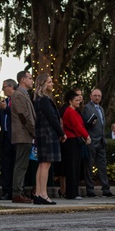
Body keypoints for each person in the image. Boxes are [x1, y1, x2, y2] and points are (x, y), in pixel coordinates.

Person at [33, 73, 65, 205]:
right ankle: (43, 194)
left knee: (42, 164)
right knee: (45, 164)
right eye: (49, 82)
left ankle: (38, 193)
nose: (52, 84)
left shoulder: (38, 99)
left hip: (42, 134)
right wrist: (61, 133)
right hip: (47, 134)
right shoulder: (44, 100)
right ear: (43, 84)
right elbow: (52, 118)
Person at [81, 88, 112, 197]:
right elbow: (84, 124)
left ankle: (106, 189)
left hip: (101, 141)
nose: (97, 97)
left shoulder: (101, 109)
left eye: (99, 96)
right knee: (89, 166)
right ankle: (90, 190)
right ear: (91, 96)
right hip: (91, 140)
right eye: (95, 95)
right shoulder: (86, 108)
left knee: (102, 165)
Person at [10, 71, 35, 203]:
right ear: (23, 80)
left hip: (26, 134)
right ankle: (17, 193)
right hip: (23, 134)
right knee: (21, 165)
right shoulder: (19, 95)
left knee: (23, 165)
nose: (32, 81)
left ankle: (19, 191)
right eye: (30, 78)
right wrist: (34, 131)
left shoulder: (24, 94)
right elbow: (24, 116)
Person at [61, 89, 90, 200]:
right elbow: (78, 126)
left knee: (75, 167)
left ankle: (73, 192)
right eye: (76, 100)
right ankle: (71, 193)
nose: (79, 102)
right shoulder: (70, 112)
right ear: (70, 101)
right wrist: (87, 136)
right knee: (72, 167)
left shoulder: (73, 111)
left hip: (73, 140)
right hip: (71, 141)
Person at [0, 81, 15, 200]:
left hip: (16, 137)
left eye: (4, 87)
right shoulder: (4, 102)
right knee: (5, 166)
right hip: (5, 137)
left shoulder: (19, 100)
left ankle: (16, 191)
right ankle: (6, 191)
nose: (2, 89)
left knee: (16, 165)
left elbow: (18, 115)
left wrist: (7, 109)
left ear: (11, 87)